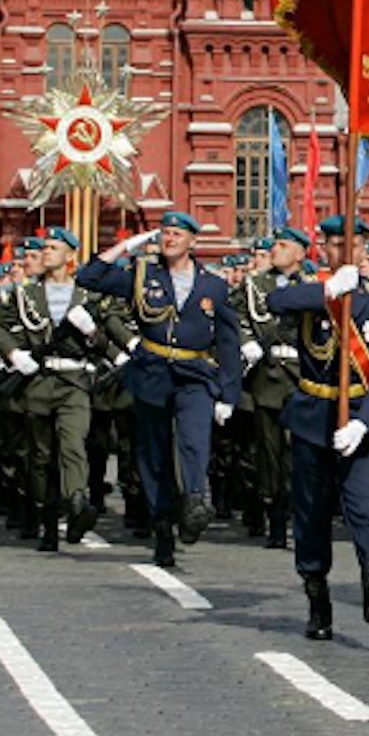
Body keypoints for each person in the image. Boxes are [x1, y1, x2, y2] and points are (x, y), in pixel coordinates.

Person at [76, 212, 242, 567]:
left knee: (194, 439)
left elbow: (228, 343)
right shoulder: (141, 276)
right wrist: (127, 245)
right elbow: (89, 276)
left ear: (192, 242)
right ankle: (163, 526)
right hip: (151, 373)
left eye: (178, 234)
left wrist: (229, 393)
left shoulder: (213, 285)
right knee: (153, 456)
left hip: (195, 373)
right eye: (165, 233)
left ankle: (196, 499)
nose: (170, 239)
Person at [266, 241, 369, 639]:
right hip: (312, 418)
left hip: (358, 418)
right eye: (337, 243)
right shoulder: (310, 295)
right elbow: (276, 300)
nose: (345, 250)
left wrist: (364, 422)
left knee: (364, 504)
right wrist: (326, 291)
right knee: (311, 513)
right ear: (323, 250)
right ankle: (317, 596)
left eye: (353, 244)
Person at [0, 228, 118, 551]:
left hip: (74, 382)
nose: (46, 253)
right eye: (44, 248)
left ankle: (76, 504)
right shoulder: (23, 294)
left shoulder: (88, 296)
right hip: (36, 382)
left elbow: (105, 340)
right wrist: (13, 354)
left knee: (72, 445)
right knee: (40, 456)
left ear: (70, 256)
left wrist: (92, 334)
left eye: (53, 248)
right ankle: (46, 517)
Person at [236, 228, 312, 548]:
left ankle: (302, 511)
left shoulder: (312, 287)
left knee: (301, 452)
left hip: (301, 377)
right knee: (269, 452)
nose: (276, 250)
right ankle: (275, 514)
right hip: (268, 376)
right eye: (276, 245)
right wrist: (248, 342)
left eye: (283, 246)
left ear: (300, 254)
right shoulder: (256, 284)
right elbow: (238, 317)